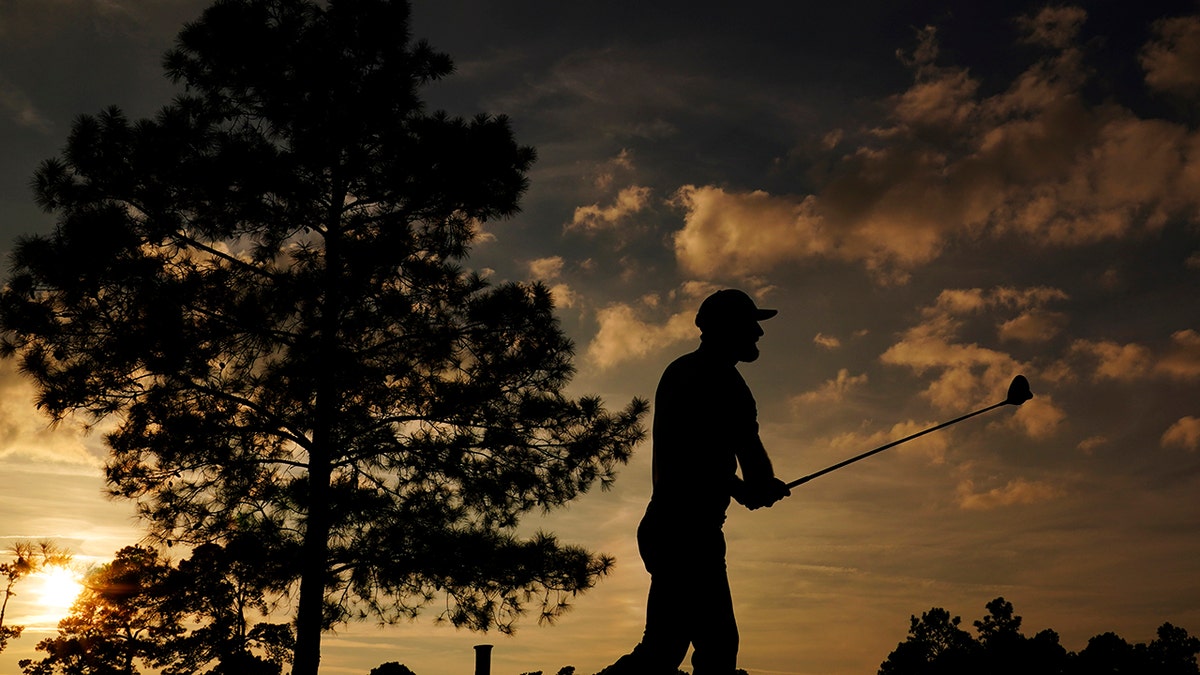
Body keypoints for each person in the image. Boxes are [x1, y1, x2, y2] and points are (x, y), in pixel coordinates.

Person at [602, 288, 792, 675]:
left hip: (668, 528)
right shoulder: (724, 382)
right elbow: (743, 452)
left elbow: (696, 458)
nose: (759, 333)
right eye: (750, 324)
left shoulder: (681, 371)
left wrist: (744, 489)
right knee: (712, 647)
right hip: (688, 534)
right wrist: (758, 487)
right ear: (727, 328)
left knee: (668, 647)